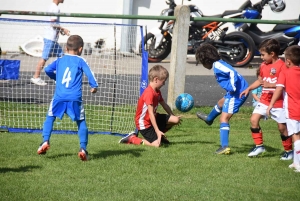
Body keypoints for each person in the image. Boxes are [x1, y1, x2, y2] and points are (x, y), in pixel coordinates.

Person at [37, 35, 98, 161]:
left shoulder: (59, 60)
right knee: (81, 121)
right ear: (80, 49)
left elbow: (47, 69)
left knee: (50, 117)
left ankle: (45, 141)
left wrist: (56, 78)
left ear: (66, 47)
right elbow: (89, 74)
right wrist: (94, 86)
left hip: (59, 96)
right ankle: (82, 148)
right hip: (75, 97)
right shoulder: (81, 61)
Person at [240, 39, 293, 159]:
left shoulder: (282, 66)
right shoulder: (264, 66)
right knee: (254, 120)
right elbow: (260, 81)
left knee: (282, 128)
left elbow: (287, 83)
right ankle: (259, 146)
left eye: (263, 55)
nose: (261, 57)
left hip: (279, 102)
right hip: (264, 100)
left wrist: (271, 86)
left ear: (272, 54)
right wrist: (248, 88)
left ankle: (289, 151)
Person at [195, 43, 249, 154]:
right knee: (221, 102)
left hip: (237, 93)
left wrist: (233, 87)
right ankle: (209, 119)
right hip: (236, 91)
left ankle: (224, 146)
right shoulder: (218, 64)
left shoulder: (217, 66)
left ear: (206, 61)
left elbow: (232, 72)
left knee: (224, 119)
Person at [119, 65, 181, 147]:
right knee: (156, 145)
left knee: (175, 120)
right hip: (144, 124)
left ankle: (160, 136)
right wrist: (157, 130)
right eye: (163, 81)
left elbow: (164, 105)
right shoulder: (149, 93)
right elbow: (151, 113)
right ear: (156, 79)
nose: (164, 84)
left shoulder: (157, 91)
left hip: (153, 119)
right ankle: (132, 139)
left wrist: (173, 115)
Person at [266, 45, 300, 172]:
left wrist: (270, 104)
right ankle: (296, 163)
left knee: (295, 136)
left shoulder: (285, 72)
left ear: (288, 61)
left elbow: (279, 88)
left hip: (293, 109)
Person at [30, 0, 70, 86]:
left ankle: (58, 77)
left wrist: (60, 30)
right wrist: (63, 29)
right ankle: (36, 77)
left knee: (62, 56)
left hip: (52, 38)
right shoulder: (55, 8)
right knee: (44, 57)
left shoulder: (51, 7)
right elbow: (52, 23)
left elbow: (53, 23)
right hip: (50, 38)